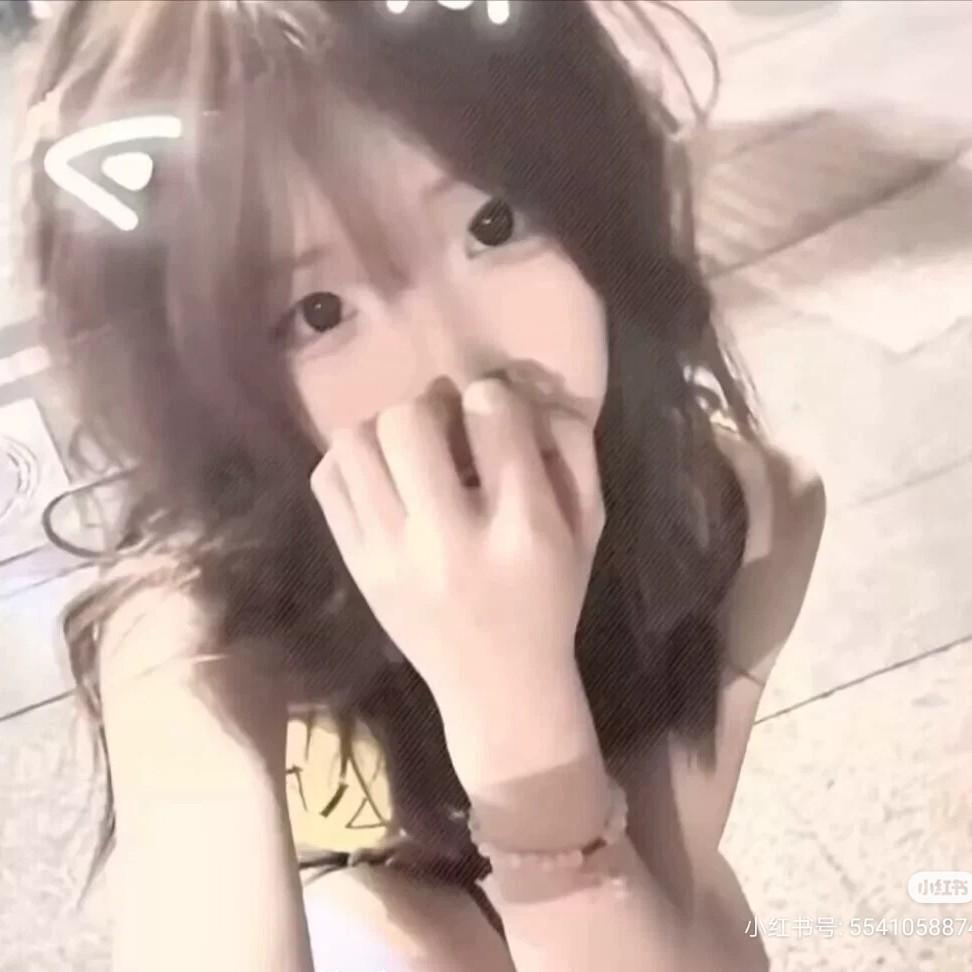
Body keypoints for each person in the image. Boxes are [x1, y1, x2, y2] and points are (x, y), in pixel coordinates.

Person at [13, 1, 826, 969]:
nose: (455, 363)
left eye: (494, 222)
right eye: (319, 311)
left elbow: (655, 900)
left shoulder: (729, 514)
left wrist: (516, 702)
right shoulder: (196, 620)